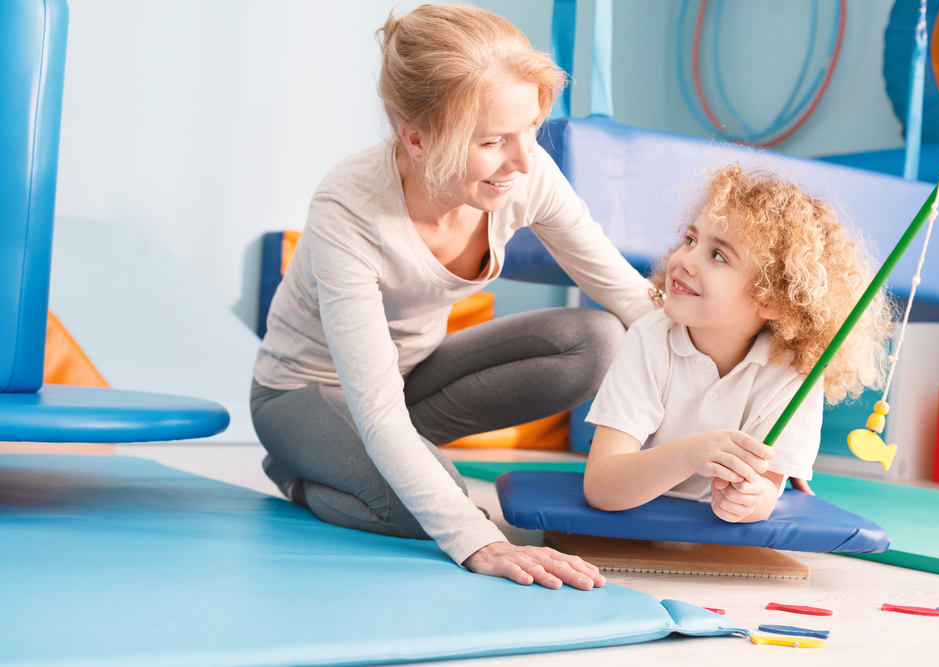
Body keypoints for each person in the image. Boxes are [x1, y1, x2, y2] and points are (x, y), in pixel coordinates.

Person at [249, 5, 653, 589]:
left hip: (410, 380)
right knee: (441, 505)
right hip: (302, 395)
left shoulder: (523, 171)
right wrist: (478, 540)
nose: (524, 159)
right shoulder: (351, 209)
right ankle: (300, 472)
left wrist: (741, 384)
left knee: (596, 340)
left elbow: (633, 300)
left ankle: (373, 463)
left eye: (530, 129)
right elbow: (376, 409)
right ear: (417, 139)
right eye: (492, 141)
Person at [583, 163, 895, 522]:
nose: (683, 260)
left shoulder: (796, 374)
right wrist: (688, 454)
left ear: (773, 299)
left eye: (718, 255)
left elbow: (767, 489)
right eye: (690, 240)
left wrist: (751, 500)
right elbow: (601, 487)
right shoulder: (649, 339)